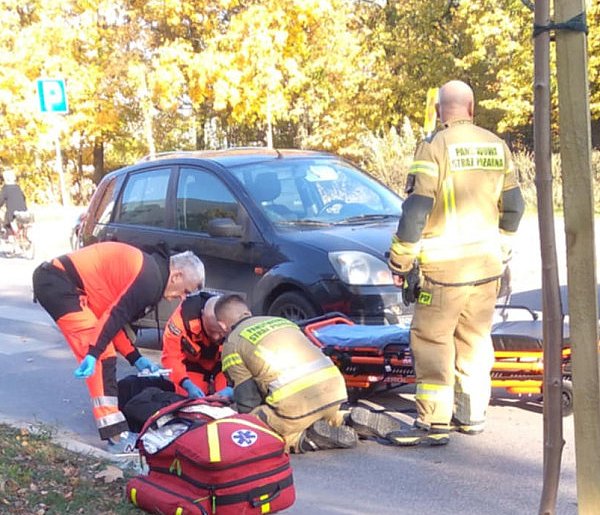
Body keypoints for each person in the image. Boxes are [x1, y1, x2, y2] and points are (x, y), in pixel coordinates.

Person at [387, 80, 525, 446]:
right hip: (486, 267)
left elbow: (417, 208)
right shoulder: (498, 146)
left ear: (438, 110)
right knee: (475, 341)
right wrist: (504, 247)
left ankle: (433, 422)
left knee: (432, 341)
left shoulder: (434, 147)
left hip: (443, 270)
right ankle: (472, 414)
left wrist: (401, 258)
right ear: (472, 108)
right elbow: (514, 207)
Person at [32, 242, 205, 453]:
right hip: (59, 286)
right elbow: (115, 317)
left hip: (65, 283)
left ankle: (116, 432)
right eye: (184, 291)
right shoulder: (150, 281)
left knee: (102, 348)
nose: (181, 298)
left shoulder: (152, 273)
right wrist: (93, 353)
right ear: (176, 276)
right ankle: (116, 436)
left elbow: (112, 320)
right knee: (104, 356)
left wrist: (135, 357)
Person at [0, 168, 27, 237]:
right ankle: (23, 236)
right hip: (24, 211)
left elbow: (1, 200)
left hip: (13, 214)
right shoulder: (18, 187)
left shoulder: (5, 189)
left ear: (5, 179)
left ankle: (10, 235)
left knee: (6, 220)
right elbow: (24, 197)